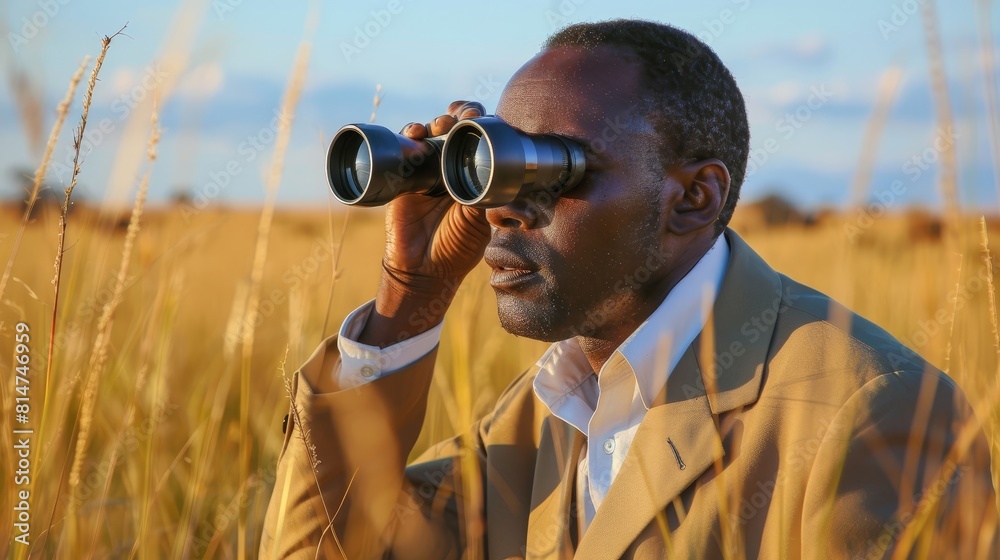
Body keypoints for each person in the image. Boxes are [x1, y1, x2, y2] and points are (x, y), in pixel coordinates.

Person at [259, 19, 997, 559]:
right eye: (487, 168)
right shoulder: (546, 414)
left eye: (549, 170)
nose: (502, 207)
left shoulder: (867, 408)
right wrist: (409, 297)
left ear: (694, 198)